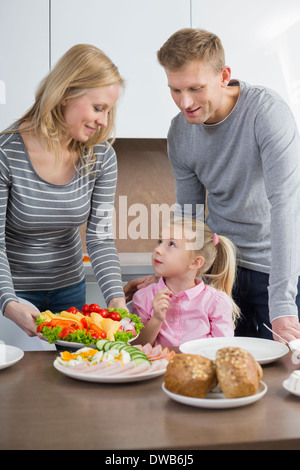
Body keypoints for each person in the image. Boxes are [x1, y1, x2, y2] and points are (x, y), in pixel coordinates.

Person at [125, 28, 300, 343]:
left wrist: (283, 302)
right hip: (218, 270)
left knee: (286, 367)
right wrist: (171, 271)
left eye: (195, 88)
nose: (185, 102)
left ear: (224, 76)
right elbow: (190, 216)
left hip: (274, 268)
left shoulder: (266, 114)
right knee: (223, 367)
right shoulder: (180, 133)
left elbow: (285, 206)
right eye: (175, 90)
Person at [0, 43, 126, 339]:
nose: (104, 121)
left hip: (70, 294)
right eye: (98, 108)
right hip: (14, 296)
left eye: (109, 111)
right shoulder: (6, 154)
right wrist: (8, 302)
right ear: (65, 95)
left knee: (68, 378)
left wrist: (116, 300)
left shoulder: (101, 157)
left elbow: (101, 238)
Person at [131, 217, 240, 347]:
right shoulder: (144, 297)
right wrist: (157, 318)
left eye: (171, 244)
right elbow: (136, 347)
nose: (157, 249)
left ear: (195, 262)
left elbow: (222, 349)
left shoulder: (216, 302)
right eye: (160, 241)